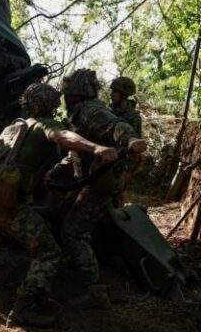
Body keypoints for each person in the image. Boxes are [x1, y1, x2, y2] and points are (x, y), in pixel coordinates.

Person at [0, 83, 118, 328]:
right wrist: (97, 147)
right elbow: (62, 136)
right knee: (48, 253)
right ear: (47, 105)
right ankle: (24, 308)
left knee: (0, 228)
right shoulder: (43, 125)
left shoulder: (15, 124)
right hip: (7, 200)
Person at [58, 69, 147, 308]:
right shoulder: (83, 110)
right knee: (74, 218)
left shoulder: (91, 110)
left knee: (73, 232)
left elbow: (117, 126)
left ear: (75, 94)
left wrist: (129, 141)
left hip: (101, 182)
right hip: (90, 179)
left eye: (68, 93)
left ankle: (95, 291)